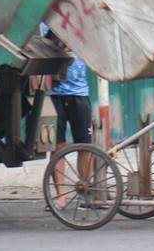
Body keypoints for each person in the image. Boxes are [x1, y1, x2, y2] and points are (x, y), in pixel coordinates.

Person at [50, 50, 91, 206]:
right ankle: (60, 197)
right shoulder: (49, 34)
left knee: (85, 147)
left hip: (80, 94)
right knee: (57, 147)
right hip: (54, 94)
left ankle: (86, 192)